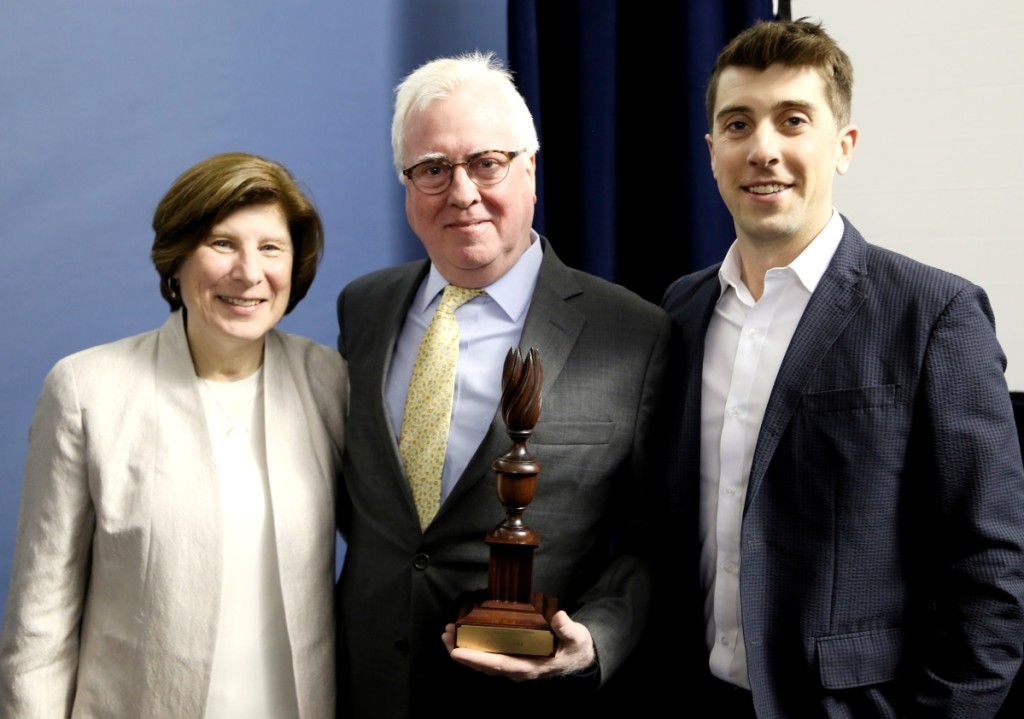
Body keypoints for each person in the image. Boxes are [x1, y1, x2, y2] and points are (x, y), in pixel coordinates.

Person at [661, 18, 1024, 718]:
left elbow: (991, 572)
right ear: (713, 152)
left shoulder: (935, 313)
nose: (763, 148)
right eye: (738, 125)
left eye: (793, 121)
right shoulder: (681, 309)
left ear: (843, 147)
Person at [335, 51, 670, 716]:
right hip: (364, 686)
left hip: (526, 701)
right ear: (407, 186)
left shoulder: (633, 333)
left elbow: (654, 544)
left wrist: (594, 640)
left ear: (530, 171)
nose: (461, 192)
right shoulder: (363, 309)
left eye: (486, 162)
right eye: (432, 169)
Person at [0, 152, 346, 718]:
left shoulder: (332, 382)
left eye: (270, 248)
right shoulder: (87, 390)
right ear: (177, 259)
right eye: (222, 244)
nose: (249, 272)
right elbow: (40, 624)